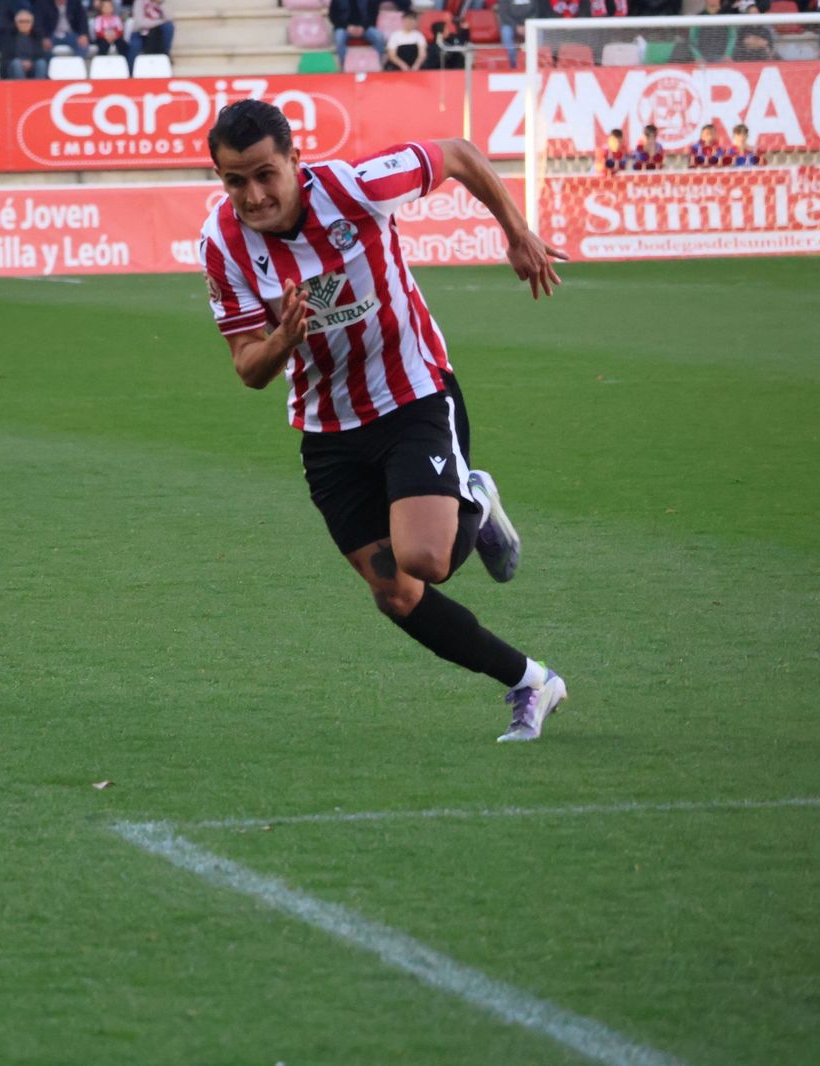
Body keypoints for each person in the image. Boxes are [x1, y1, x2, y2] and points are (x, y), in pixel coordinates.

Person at [199, 100, 569, 742]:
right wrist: (284, 339)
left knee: (424, 559)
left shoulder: (356, 186)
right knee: (395, 594)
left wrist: (516, 230)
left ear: (294, 160)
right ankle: (530, 682)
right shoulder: (222, 245)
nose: (254, 195)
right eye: (237, 181)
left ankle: (472, 497)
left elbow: (459, 152)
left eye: (266, 174)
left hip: (412, 395)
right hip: (327, 432)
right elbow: (248, 368)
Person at [328, 0, 385, 71]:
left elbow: (373, 14)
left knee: (379, 37)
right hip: (344, 27)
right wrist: (347, 27)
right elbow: (333, 16)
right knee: (339, 39)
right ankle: (343, 65)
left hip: (365, 27)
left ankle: (378, 63)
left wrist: (363, 27)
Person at [0, 6, 50, 78]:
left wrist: (30, 62)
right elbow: (5, 58)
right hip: (14, 67)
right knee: (16, 63)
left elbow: (41, 54)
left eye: (27, 21)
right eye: (21, 21)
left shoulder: (37, 35)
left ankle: (39, 88)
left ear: (32, 23)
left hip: (32, 65)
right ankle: (20, 89)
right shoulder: (8, 36)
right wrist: (21, 63)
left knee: (41, 63)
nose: (24, 24)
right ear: (16, 23)